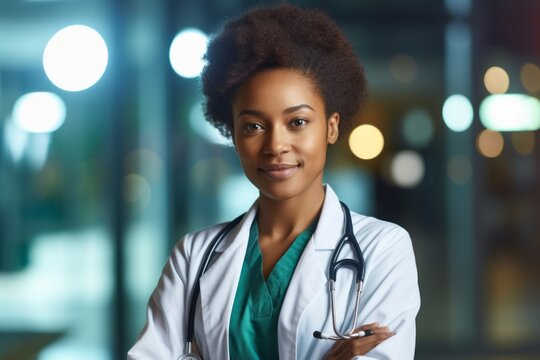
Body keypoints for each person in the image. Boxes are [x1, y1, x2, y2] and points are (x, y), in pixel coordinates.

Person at [128, 4, 420, 360]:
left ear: (331, 127)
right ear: (232, 134)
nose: (275, 146)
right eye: (253, 126)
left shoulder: (383, 250)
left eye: (297, 122)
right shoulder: (194, 256)